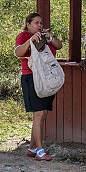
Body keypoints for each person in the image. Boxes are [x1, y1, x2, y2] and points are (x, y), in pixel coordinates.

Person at [14, 12, 63, 161]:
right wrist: (30, 41)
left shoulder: (44, 37)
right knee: (39, 114)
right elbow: (18, 52)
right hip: (31, 77)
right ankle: (40, 151)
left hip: (46, 78)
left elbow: (59, 46)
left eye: (41, 23)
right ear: (28, 24)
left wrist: (50, 37)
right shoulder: (23, 36)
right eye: (36, 23)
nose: (39, 25)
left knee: (43, 114)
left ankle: (32, 148)